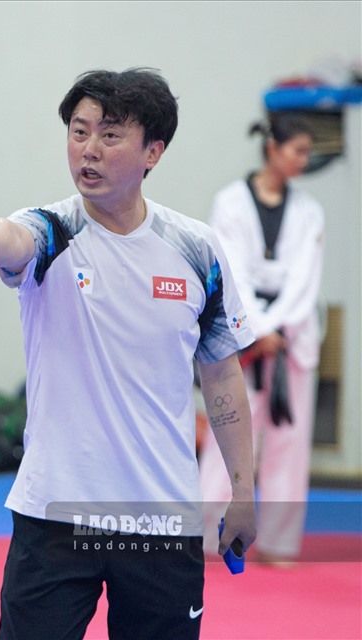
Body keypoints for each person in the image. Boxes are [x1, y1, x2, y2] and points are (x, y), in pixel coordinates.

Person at [0, 68, 257, 639]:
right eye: (78, 131)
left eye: (109, 136)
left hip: (161, 516)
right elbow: (14, 235)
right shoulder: (52, 230)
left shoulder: (196, 249)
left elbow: (221, 373)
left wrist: (243, 491)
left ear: (153, 152)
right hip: (55, 515)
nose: (87, 149)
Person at [197, 113, 325, 567]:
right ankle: (212, 530)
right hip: (243, 336)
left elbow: (305, 279)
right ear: (273, 149)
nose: (304, 161)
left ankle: (280, 542)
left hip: (290, 339)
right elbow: (228, 270)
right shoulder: (230, 203)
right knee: (229, 431)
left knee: (289, 440)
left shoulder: (311, 212)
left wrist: (277, 328)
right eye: (299, 151)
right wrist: (257, 329)